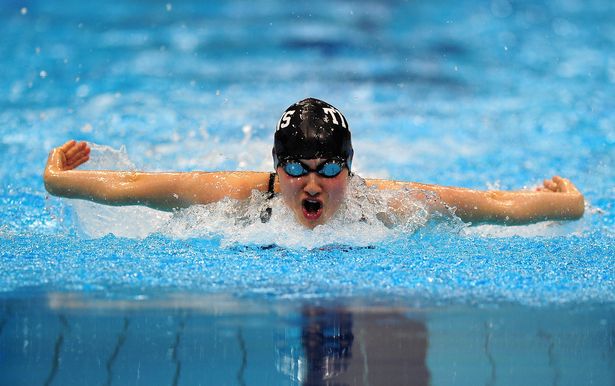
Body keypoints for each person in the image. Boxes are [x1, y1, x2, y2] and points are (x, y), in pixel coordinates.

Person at [43, 98, 585, 229]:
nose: (312, 183)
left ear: (349, 172)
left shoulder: (385, 206)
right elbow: (134, 186)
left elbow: (492, 204)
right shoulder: (241, 198)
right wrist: (58, 180)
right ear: (276, 170)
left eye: (329, 169)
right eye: (297, 169)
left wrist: (570, 204)